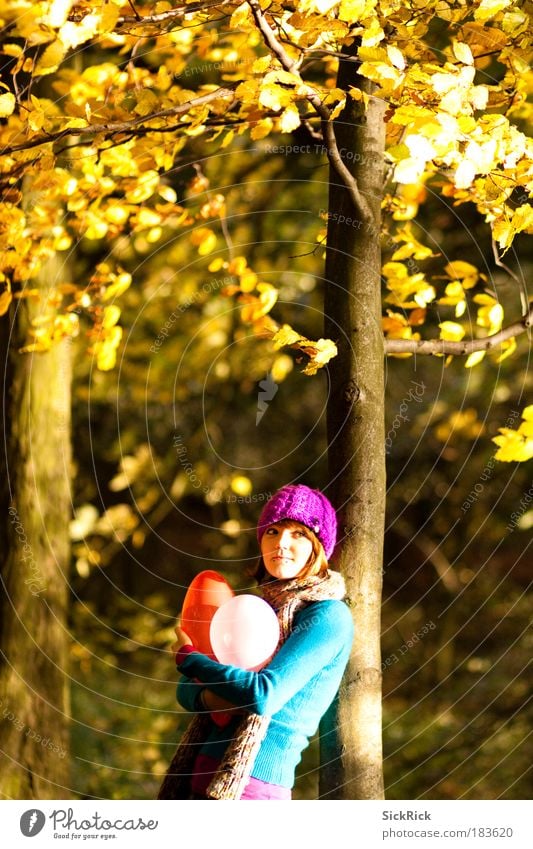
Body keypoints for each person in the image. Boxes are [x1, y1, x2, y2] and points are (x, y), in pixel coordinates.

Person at [159, 484, 354, 800]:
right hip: (200, 769)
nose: (282, 543)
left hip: (254, 786)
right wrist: (216, 697)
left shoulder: (328, 616)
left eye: (299, 534)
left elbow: (265, 695)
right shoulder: (258, 610)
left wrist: (190, 659)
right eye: (273, 531)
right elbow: (185, 690)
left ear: (319, 546)